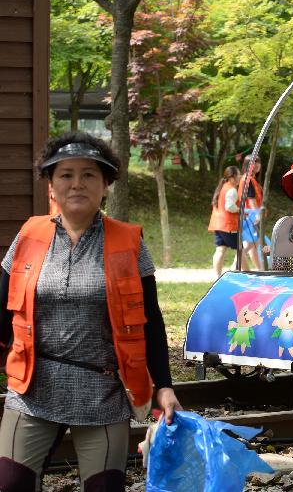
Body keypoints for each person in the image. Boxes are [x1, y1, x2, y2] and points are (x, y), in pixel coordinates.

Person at [0, 132, 182, 492]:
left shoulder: (128, 242)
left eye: (89, 175)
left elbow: (152, 323)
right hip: (33, 388)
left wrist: (164, 386)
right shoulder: (29, 236)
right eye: (66, 174)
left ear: (105, 185)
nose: (77, 184)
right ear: (51, 185)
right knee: (11, 484)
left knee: (104, 488)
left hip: (103, 391)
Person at [208, 165, 241, 276]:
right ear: (232, 177)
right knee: (240, 250)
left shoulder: (222, 187)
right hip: (228, 226)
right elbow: (229, 207)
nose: (240, 177)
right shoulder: (232, 190)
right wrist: (240, 209)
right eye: (238, 175)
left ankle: (217, 276)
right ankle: (232, 273)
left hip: (218, 225)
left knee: (220, 250)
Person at [237, 154, 264, 270]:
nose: (257, 165)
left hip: (250, 215)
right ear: (247, 165)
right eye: (253, 163)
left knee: (253, 244)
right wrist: (257, 216)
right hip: (250, 216)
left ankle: (260, 270)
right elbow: (251, 199)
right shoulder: (248, 179)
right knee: (250, 244)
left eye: (258, 162)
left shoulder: (251, 179)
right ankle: (236, 268)